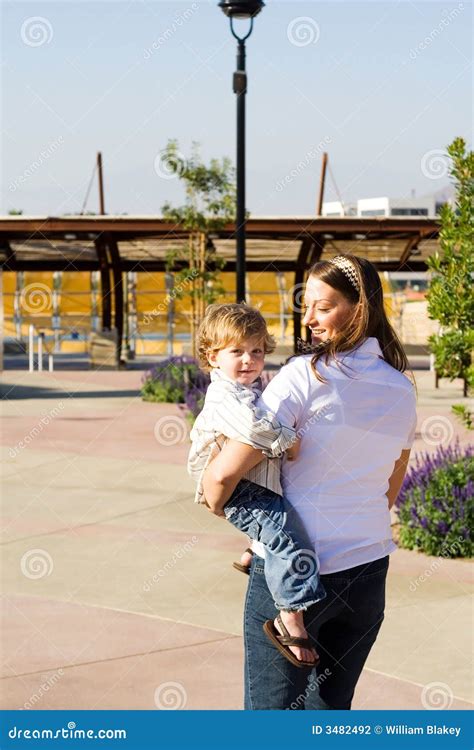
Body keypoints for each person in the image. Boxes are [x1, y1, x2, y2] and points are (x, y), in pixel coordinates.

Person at [203, 255, 417, 710]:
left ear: (359, 309)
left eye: (323, 306)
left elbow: (225, 471)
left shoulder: (304, 375)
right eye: (307, 306)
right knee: (329, 718)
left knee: (272, 724)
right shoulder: (400, 387)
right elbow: (390, 489)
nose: (309, 318)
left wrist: (215, 499)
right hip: (367, 572)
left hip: (295, 577)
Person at [188, 303, 326, 668]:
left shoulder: (246, 390)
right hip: (237, 488)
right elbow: (252, 432)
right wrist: (290, 439)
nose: (248, 360)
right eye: (237, 352)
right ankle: (290, 616)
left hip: (249, 484)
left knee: (272, 521)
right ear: (212, 356)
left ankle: (253, 548)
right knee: (287, 536)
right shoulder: (224, 395)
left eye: (257, 351)